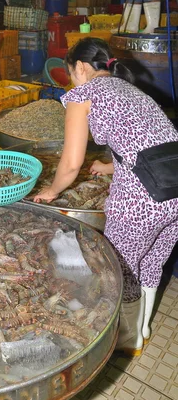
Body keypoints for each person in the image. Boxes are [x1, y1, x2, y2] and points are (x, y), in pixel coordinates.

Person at [33, 37, 178, 356]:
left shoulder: (83, 94)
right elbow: (147, 146)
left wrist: (52, 190)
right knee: (151, 264)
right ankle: (141, 333)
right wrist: (107, 166)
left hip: (143, 199)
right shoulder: (131, 90)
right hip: (174, 188)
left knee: (118, 271)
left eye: (71, 73)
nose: (72, 80)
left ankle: (125, 341)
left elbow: (70, 165)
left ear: (81, 68)